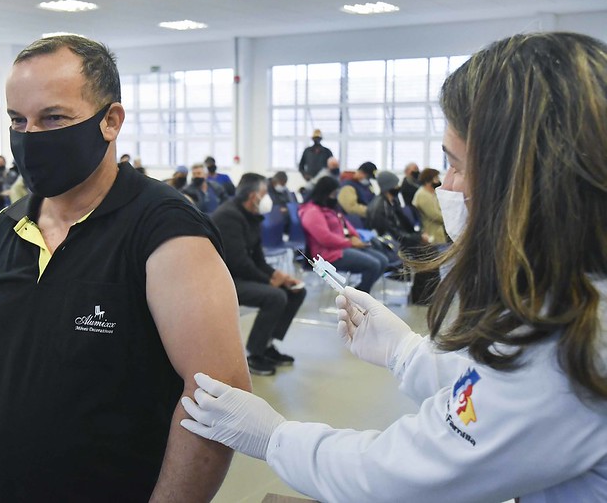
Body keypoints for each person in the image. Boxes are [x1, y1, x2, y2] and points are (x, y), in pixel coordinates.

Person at [179, 31, 607, 502]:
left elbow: (405, 475)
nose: (448, 183)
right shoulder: (571, 295)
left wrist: (274, 437)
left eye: (457, 164)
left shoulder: (572, 338)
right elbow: (486, 393)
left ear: (524, 179)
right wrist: (405, 352)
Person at [0, 34, 250, 502]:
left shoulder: (167, 235)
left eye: (54, 117)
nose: (31, 137)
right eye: (18, 120)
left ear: (110, 121)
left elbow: (216, 396)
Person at [211, 173, 306, 376]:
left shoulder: (252, 215)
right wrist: (269, 281)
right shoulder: (229, 216)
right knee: (275, 296)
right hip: (223, 279)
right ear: (254, 196)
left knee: (296, 291)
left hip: (240, 274)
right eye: (264, 193)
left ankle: (267, 345)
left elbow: (257, 258)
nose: (267, 198)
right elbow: (238, 262)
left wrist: (278, 276)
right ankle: (254, 354)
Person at [299, 176, 388, 293]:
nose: (335, 196)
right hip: (328, 254)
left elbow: (346, 224)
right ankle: (359, 296)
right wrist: (350, 243)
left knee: (383, 260)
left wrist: (355, 237)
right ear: (325, 192)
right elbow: (325, 238)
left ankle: (358, 292)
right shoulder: (312, 212)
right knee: (374, 265)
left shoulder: (330, 208)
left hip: (342, 248)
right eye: (333, 193)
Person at [366, 170, 428, 250]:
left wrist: (417, 236)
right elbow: (391, 233)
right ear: (389, 186)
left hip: (400, 239)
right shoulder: (380, 206)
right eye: (396, 184)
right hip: (390, 243)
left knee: (429, 248)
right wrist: (417, 238)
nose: (398, 187)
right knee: (427, 251)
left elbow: (403, 224)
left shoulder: (393, 201)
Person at [412, 168, 446, 244]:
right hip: (432, 236)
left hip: (438, 234)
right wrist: (450, 219)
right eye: (436, 178)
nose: (438, 181)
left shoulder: (431, 193)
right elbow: (435, 216)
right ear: (428, 181)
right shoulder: (423, 195)